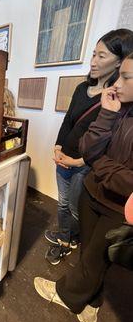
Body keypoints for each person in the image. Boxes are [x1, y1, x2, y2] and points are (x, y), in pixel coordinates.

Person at [34, 52, 133, 322]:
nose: (119, 83)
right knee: (91, 254)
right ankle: (93, 303)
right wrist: (106, 115)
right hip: (93, 193)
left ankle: (67, 295)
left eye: (126, 76)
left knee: (95, 257)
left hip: (119, 208)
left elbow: (97, 160)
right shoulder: (116, 108)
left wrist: (95, 161)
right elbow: (88, 145)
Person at [45, 29, 133, 265]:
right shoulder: (81, 89)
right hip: (63, 157)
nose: (93, 62)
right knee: (62, 204)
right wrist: (57, 147)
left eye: (101, 56)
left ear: (120, 60)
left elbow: (107, 143)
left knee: (75, 208)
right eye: (94, 54)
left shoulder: (117, 100)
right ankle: (65, 238)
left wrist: (78, 161)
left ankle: (71, 240)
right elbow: (68, 121)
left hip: (84, 165)